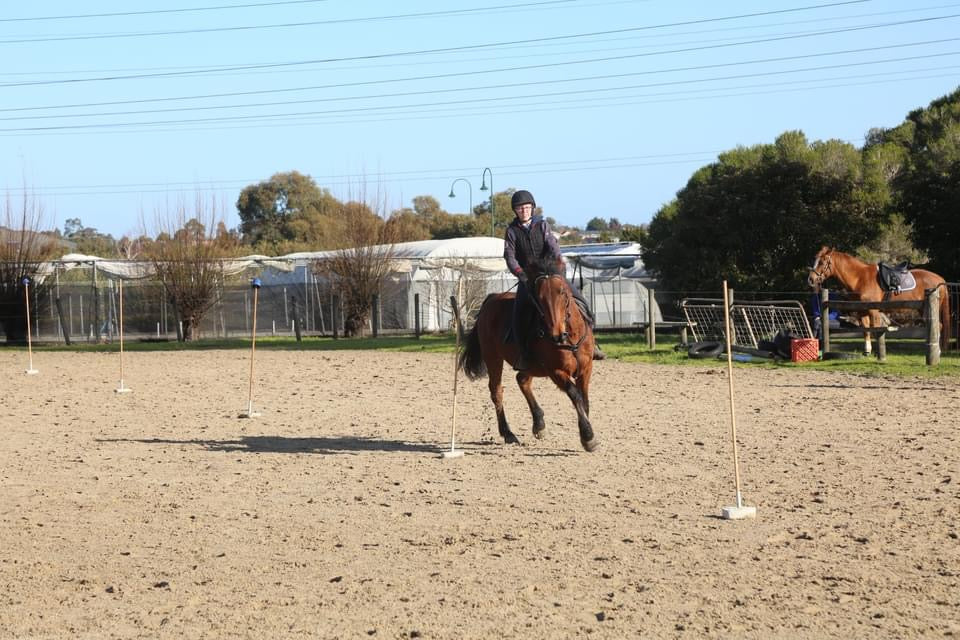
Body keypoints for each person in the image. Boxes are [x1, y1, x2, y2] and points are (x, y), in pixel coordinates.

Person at [503, 189, 605, 370]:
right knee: (517, 316)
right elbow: (510, 257)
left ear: (532, 208)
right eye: (520, 208)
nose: (524, 211)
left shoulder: (543, 225)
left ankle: (592, 344)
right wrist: (521, 274)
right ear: (515, 211)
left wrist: (558, 266)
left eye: (527, 207)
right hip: (528, 280)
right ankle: (524, 355)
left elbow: (553, 247)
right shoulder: (511, 231)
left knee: (581, 301)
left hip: (551, 275)